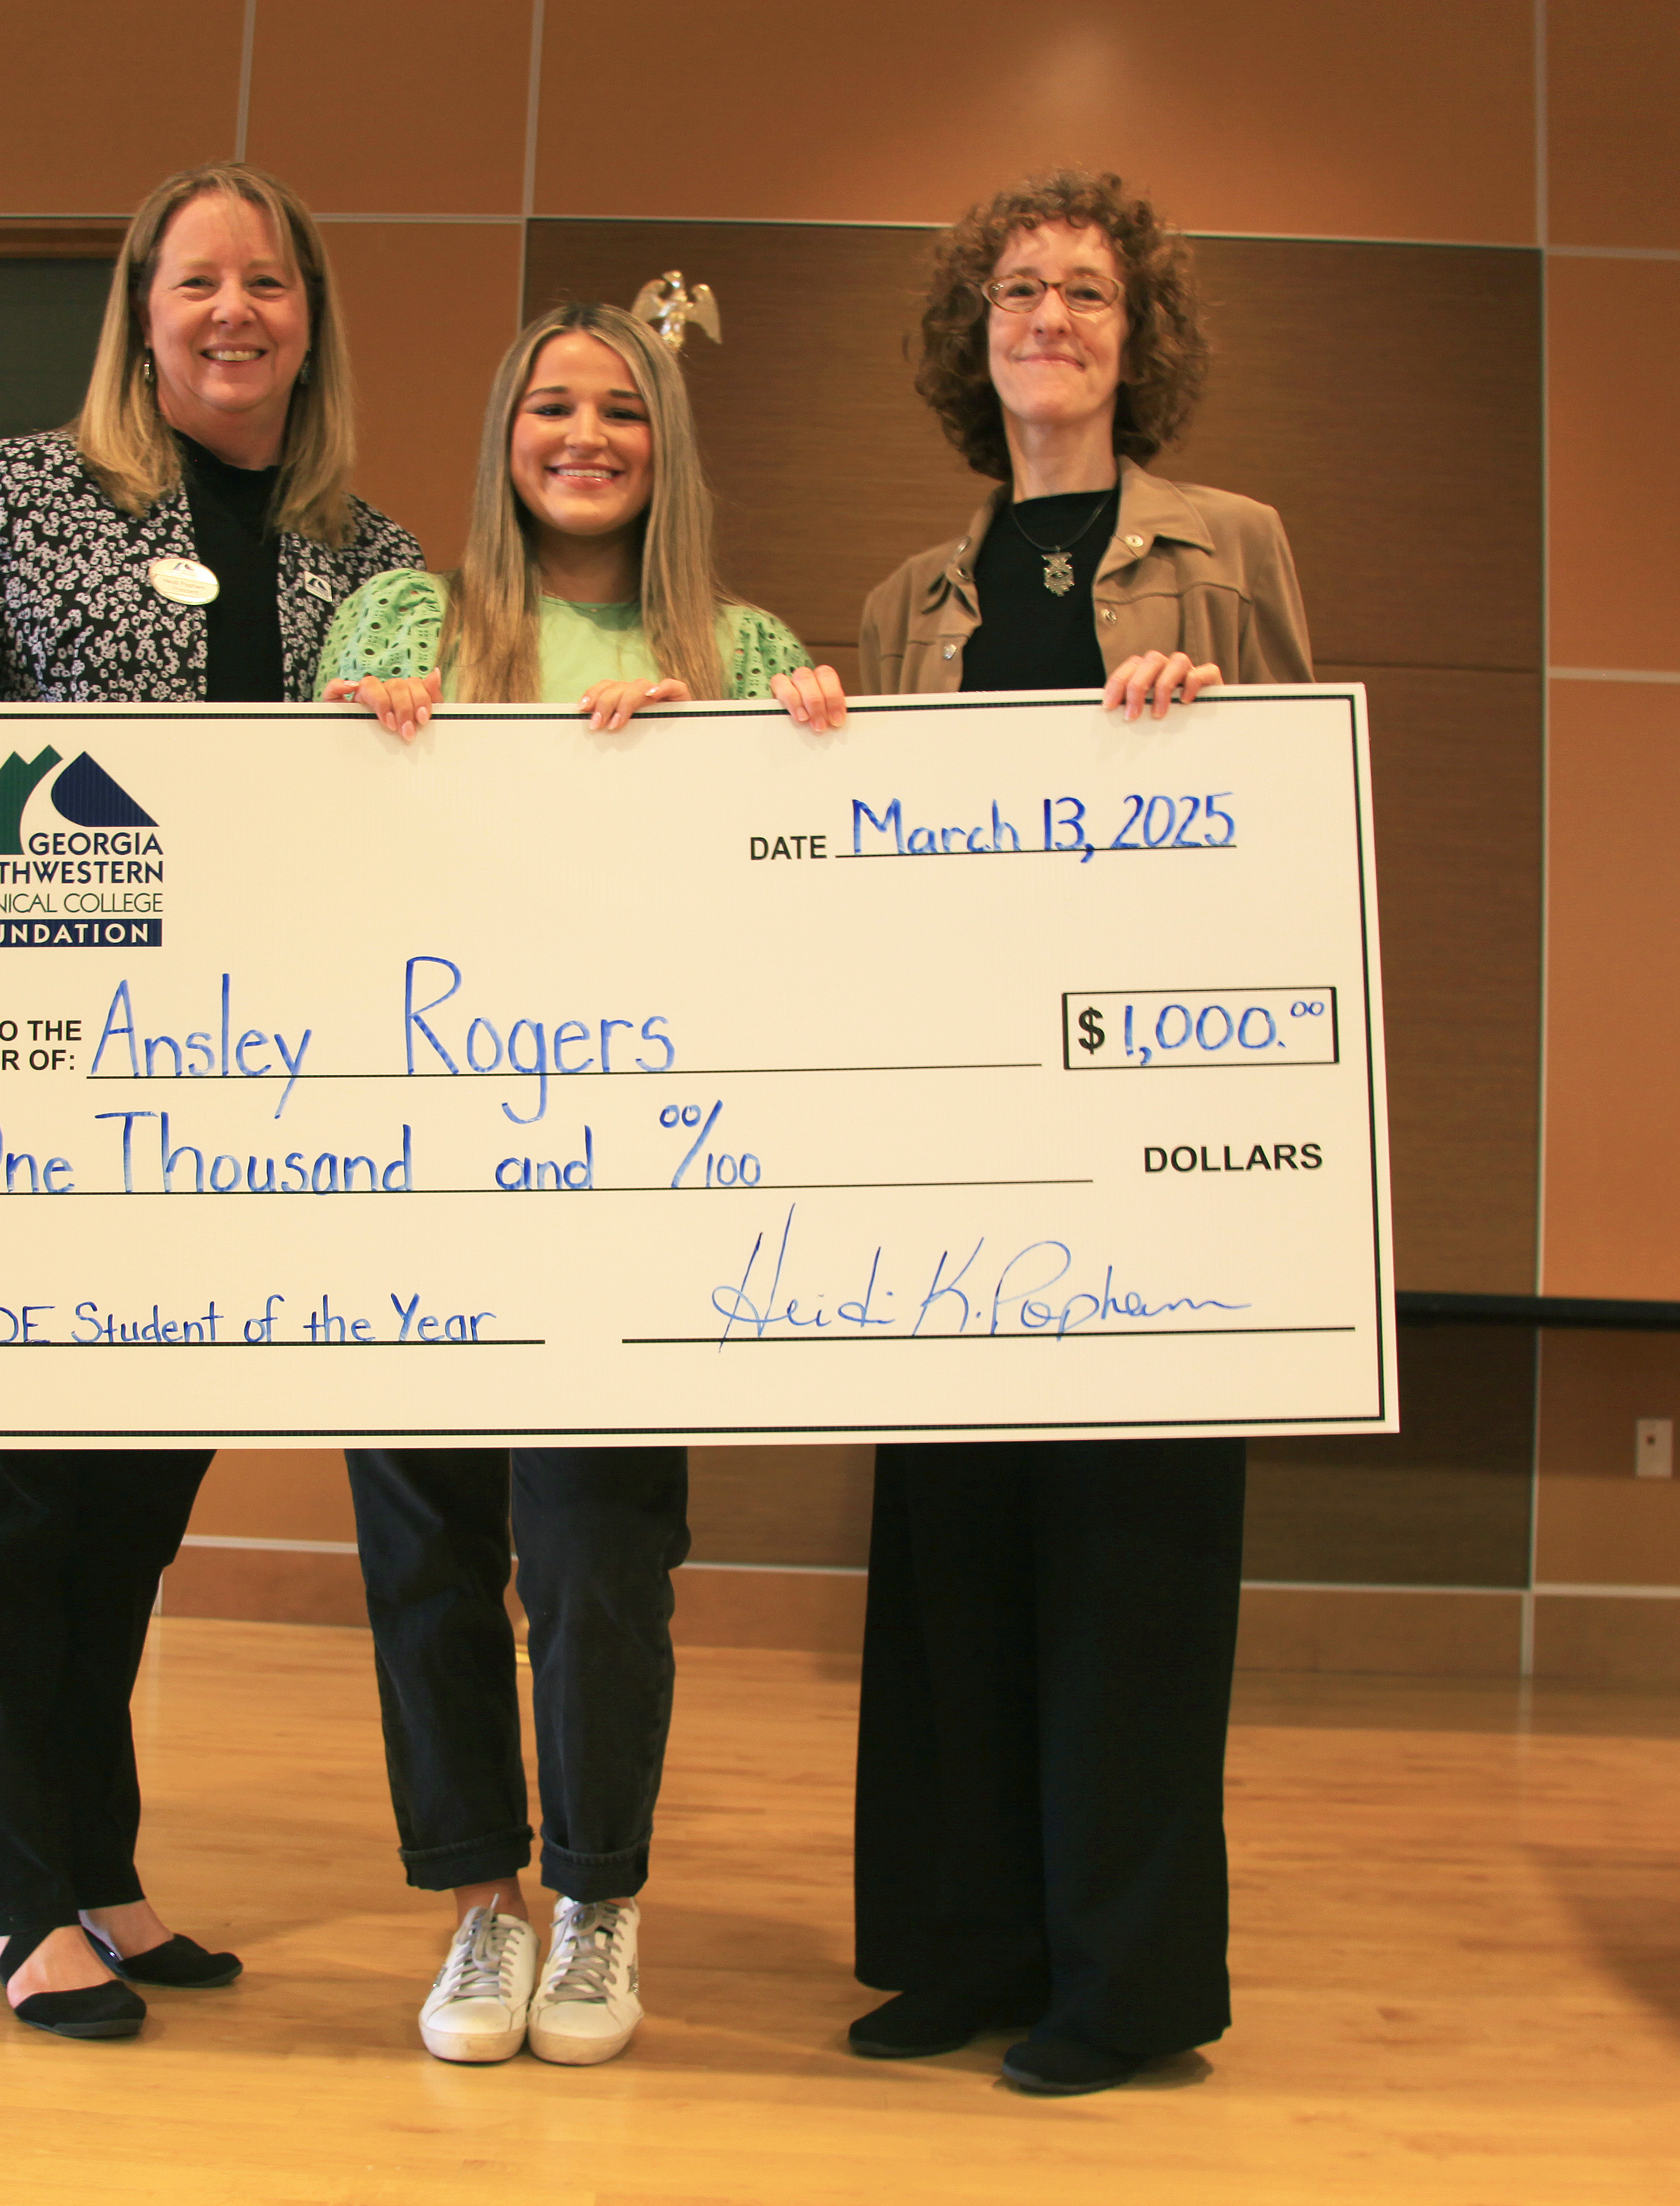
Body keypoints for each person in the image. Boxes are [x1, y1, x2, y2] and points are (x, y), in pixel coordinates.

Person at [0, 161, 422, 2041]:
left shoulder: (368, 558)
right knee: (3, 1512)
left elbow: (404, 834)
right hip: (13, 1099)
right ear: (142, 317)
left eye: (270, 284)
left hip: (226, 1111)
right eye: (197, 282)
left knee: (133, 1514)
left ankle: (100, 1861)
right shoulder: (20, 490)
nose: (235, 313)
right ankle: (20, 1896)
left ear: (311, 319)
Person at [317, 301, 844, 2067]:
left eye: (621, 409)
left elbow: (815, 887)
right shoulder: (406, 614)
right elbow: (306, 848)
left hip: (640, 1177)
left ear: (663, 446)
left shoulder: (739, 633)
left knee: (602, 1555)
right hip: (413, 1160)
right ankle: (481, 1907)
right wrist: (348, 734)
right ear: (505, 433)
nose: (584, 434)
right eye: (552, 404)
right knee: (426, 1549)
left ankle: (601, 1899)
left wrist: (792, 742)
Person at [848, 170, 1313, 2096]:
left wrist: (1199, 725)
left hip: (1153, 1133)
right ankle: (962, 1952)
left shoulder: (1227, 545)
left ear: (1140, 340)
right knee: (950, 1545)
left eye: (1087, 293)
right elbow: (845, 884)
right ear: (975, 336)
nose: (1048, 315)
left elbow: (1301, 806)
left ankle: (1118, 1987)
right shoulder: (905, 601)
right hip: (957, 1138)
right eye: (1018, 291)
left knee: (1127, 1558)